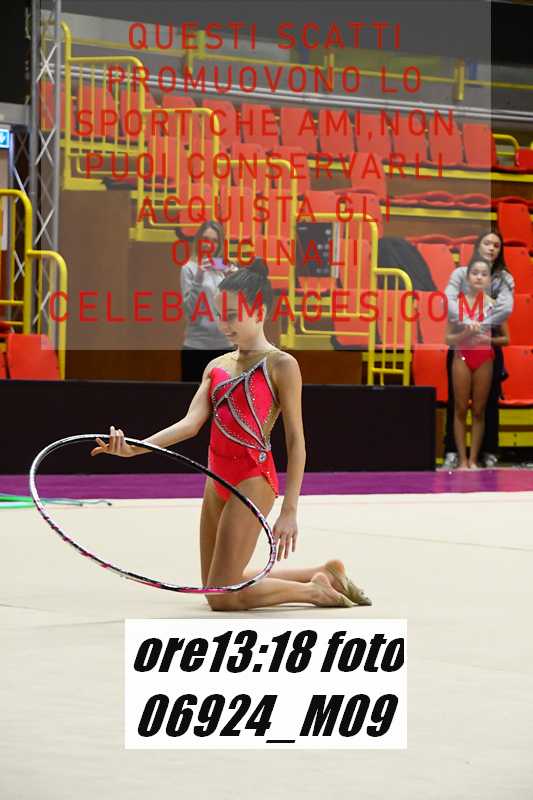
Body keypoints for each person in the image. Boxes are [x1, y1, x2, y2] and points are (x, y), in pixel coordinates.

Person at [91, 260, 371, 611]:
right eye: (220, 315)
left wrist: (289, 510)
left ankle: (313, 591)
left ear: (260, 312)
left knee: (222, 597)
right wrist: (135, 448)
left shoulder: (281, 365)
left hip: (252, 480)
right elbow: (190, 424)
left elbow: (296, 441)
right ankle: (321, 573)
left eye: (233, 316)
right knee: (217, 584)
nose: (223, 324)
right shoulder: (216, 366)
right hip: (216, 479)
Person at [442, 228, 514, 469]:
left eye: (496, 245)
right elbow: (449, 310)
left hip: (486, 350)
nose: (491, 248)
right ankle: (455, 452)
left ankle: (485, 452)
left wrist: (484, 336)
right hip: (462, 349)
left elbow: (505, 321)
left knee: (487, 402)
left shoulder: (504, 280)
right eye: (487, 243)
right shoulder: (461, 276)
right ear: (477, 247)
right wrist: (466, 329)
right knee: (458, 403)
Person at [180, 220, 235, 381]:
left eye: (214, 241)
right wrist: (199, 276)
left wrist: (234, 281)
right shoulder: (189, 268)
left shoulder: (224, 268)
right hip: (196, 346)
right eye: (205, 239)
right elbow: (190, 312)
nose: (209, 245)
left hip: (225, 346)